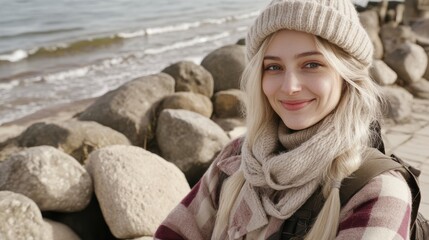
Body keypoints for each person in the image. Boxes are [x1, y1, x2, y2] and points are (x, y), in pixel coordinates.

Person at [154, 0, 412, 239]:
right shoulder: (236, 159)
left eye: (312, 64)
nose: (289, 87)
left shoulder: (378, 190)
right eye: (273, 67)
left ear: (348, 75)